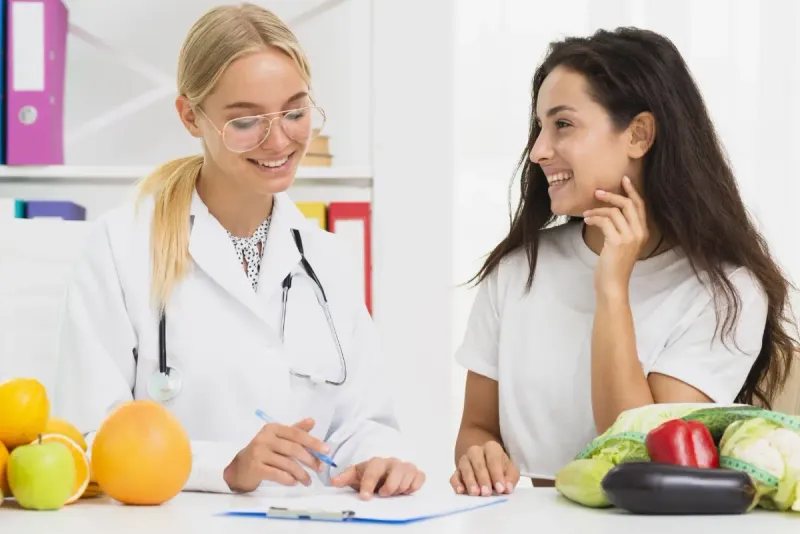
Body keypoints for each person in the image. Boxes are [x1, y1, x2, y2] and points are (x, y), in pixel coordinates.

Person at [52, 3, 424, 499]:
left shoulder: (326, 258)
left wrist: (381, 458)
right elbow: (86, 438)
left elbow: (362, 422)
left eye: (295, 112)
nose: (280, 140)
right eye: (246, 121)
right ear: (190, 116)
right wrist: (224, 466)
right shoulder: (121, 247)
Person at [450, 27, 800, 496]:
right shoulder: (517, 271)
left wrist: (612, 288)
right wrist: (479, 455)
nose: (537, 151)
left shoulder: (726, 294)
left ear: (638, 134)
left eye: (563, 125)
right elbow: (476, 429)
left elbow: (640, 454)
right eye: (539, 127)